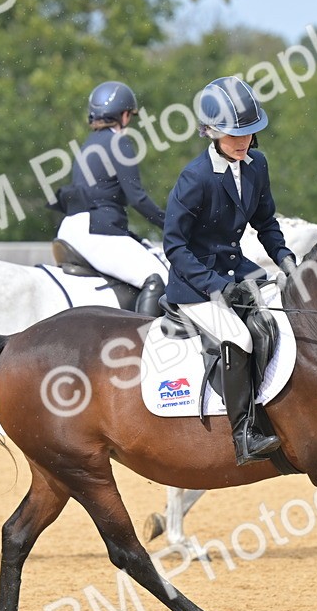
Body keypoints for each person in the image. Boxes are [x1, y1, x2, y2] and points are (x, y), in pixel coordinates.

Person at [163, 76, 298, 466]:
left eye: (249, 133)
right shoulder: (196, 177)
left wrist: (286, 259)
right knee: (239, 337)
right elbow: (175, 246)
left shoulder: (257, 165)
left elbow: (265, 222)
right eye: (233, 134)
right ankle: (243, 434)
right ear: (210, 131)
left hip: (237, 270)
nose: (243, 141)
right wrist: (217, 286)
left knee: (287, 313)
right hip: (195, 283)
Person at [57, 80, 167, 316]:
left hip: (71, 228)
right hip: (98, 231)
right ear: (124, 115)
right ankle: (148, 338)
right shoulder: (119, 142)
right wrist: (170, 224)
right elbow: (137, 198)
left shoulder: (87, 145)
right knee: (157, 278)